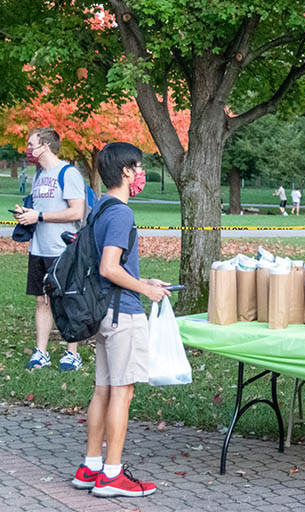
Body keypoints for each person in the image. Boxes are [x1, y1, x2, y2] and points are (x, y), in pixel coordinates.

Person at [71, 142, 170, 497]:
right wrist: (144, 290)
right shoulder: (121, 213)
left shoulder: (99, 210)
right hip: (122, 314)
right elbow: (109, 267)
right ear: (127, 171)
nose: (142, 173)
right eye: (139, 167)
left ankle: (91, 466)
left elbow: (111, 266)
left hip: (101, 313)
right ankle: (112, 475)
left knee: (102, 391)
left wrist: (145, 280)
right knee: (122, 394)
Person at [13, 127, 86, 371]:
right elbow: (38, 210)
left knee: (67, 301)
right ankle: (40, 352)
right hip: (39, 248)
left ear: (45, 146)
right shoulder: (38, 175)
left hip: (63, 250)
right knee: (41, 301)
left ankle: (72, 354)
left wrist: (40, 216)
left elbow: (77, 212)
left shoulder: (68, 173)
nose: (28, 149)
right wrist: (26, 214)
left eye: (31, 144)